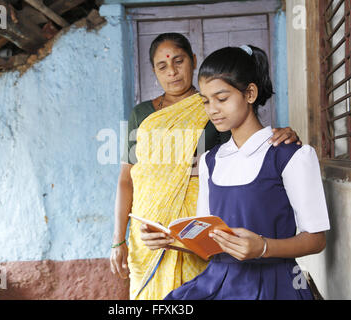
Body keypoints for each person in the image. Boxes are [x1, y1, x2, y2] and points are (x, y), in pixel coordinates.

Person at [110, 33, 301, 300]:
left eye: (179, 61)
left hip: (198, 225)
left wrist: (279, 136)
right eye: (162, 66)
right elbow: (127, 178)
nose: (172, 72)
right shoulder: (140, 114)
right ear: (153, 70)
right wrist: (119, 239)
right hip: (150, 228)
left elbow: (243, 149)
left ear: (193, 60)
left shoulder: (215, 109)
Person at [161, 45, 330, 300]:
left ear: (250, 93)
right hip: (219, 282)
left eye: (222, 98)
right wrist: (168, 240)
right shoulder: (210, 161)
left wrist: (263, 247)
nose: (212, 109)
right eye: (206, 101)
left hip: (275, 285)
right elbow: (209, 241)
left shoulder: (291, 155)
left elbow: (316, 240)